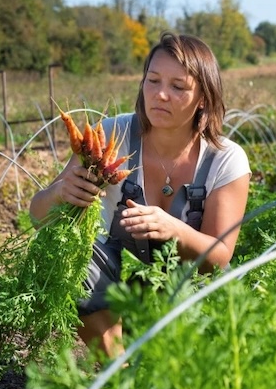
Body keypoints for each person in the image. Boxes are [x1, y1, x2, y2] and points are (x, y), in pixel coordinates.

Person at [29, 32, 251, 360]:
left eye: (178, 87)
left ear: (203, 97)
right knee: (67, 257)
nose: (161, 94)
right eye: (153, 80)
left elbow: (219, 256)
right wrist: (61, 193)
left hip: (188, 290)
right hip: (116, 285)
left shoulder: (224, 159)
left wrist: (174, 229)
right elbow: (37, 215)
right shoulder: (111, 134)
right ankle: (116, 368)